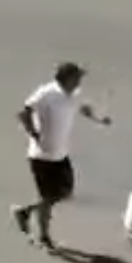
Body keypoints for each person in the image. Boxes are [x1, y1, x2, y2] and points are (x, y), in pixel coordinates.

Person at [12, 62, 110, 249]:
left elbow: (82, 108)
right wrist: (34, 134)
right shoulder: (46, 93)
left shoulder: (75, 94)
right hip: (41, 156)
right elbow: (24, 113)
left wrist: (98, 119)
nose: (80, 80)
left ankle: (25, 212)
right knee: (48, 197)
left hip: (60, 154)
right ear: (67, 78)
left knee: (64, 193)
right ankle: (44, 237)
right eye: (78, 77)